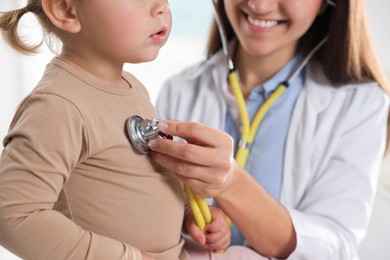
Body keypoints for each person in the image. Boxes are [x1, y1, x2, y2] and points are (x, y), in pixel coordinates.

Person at [151, 0, 390, 259]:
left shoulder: (361, 104)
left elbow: (335, 246)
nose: (260, 5)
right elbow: (157, 212)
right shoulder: (179, 91)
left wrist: (231, 183)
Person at [0, 0, 230, 259]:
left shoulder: (132, 87)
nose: (161, 6)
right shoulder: (57, 106)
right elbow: (14, 217)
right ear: (66, 10)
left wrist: (190, 214)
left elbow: (151, 175)